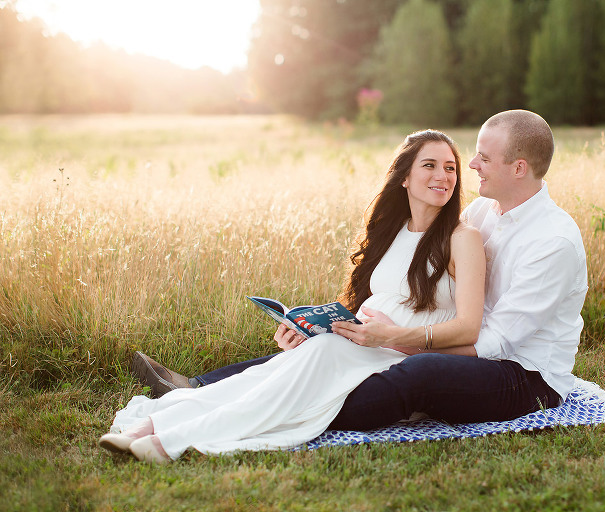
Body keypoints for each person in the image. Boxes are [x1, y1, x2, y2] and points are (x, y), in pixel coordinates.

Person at [132, 109, 587, 432]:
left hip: (524, 377)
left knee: (418, 372)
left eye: (483, 157)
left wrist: (400, 343)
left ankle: (301, 408)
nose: (470, 166)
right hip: (461, 344)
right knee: (330, 353)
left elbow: (495, 342)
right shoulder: (488, 210)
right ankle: (203, 387)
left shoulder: (553, 242)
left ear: (519, 167)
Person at [99, 129, 487, 462]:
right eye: (430, 165)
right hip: (360, 344)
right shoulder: (394, 232)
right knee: (264, 375)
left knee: (277, 385)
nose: (443, 176)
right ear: (404, 177)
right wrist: (309, 330)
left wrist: (394, 337)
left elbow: (468, 328)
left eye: (450, 167)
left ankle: (167, 442)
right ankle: (152, 425)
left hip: (398, 358)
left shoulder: (462, 238)